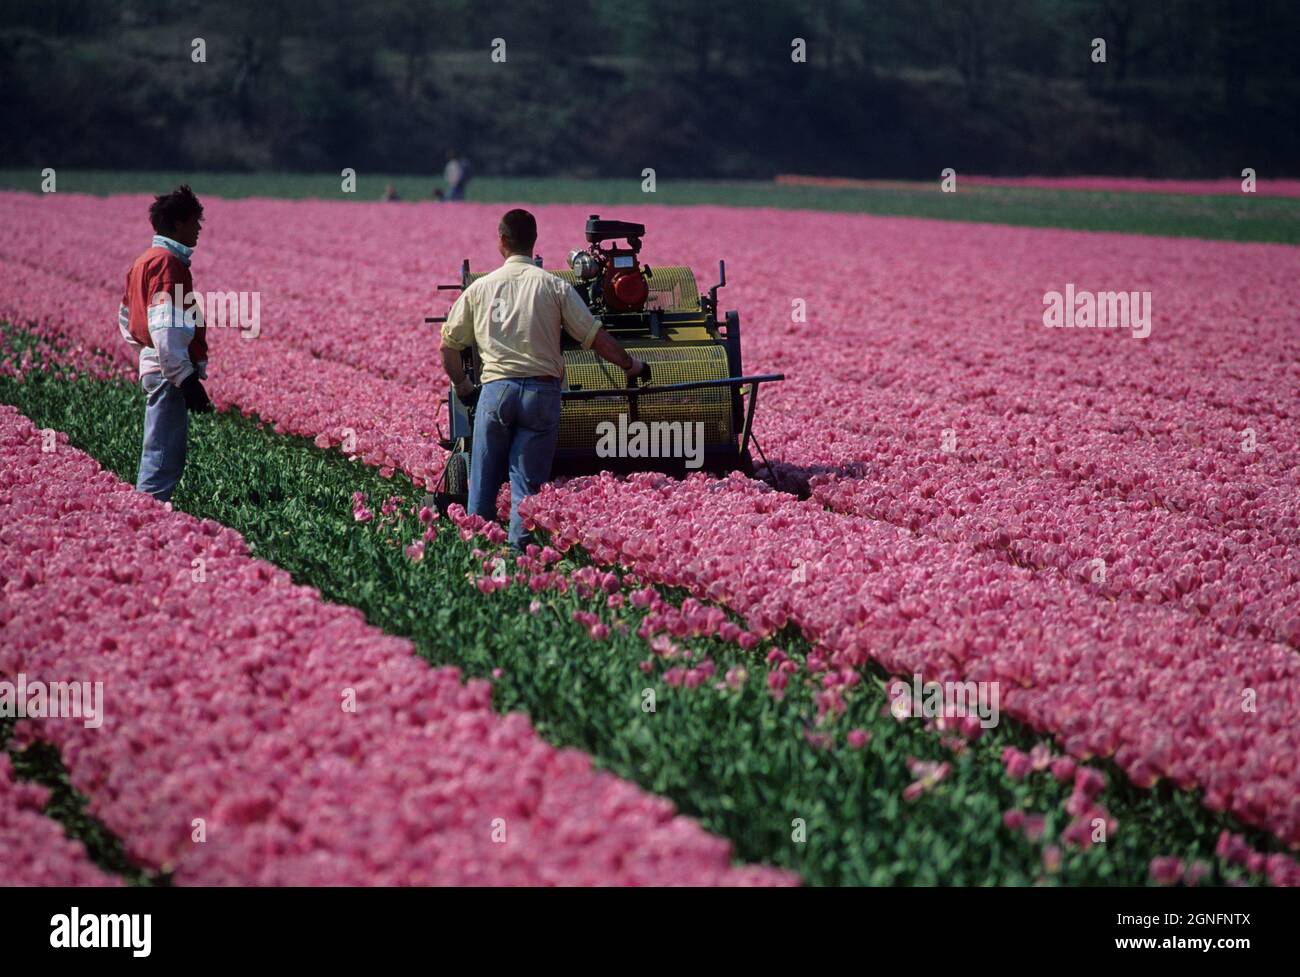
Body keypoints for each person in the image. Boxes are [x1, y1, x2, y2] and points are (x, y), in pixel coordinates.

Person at [440, 209, 648, 550]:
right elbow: (595, 337)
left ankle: (477, 553)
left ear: (502, 242)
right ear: (534, 241)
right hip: (540, 393)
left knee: (483, 480)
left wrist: (464, 388)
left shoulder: (480, 289)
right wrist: (631, 365)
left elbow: (448, 347)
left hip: (496, 392)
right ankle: (519, 557)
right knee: (527, 485)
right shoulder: (554, 286)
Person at [118, 185, 213, 504]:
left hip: (157, 365)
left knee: (161, 448)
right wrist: (184, 377)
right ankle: (146, 518)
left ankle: (146, 515)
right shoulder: (167, 264)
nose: (199, 228)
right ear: (176, 224)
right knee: (163, 455)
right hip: (168, 372)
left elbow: (127, 318)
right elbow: (164, 324)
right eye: (194, 221)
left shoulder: (144, 261)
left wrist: (148, 353)